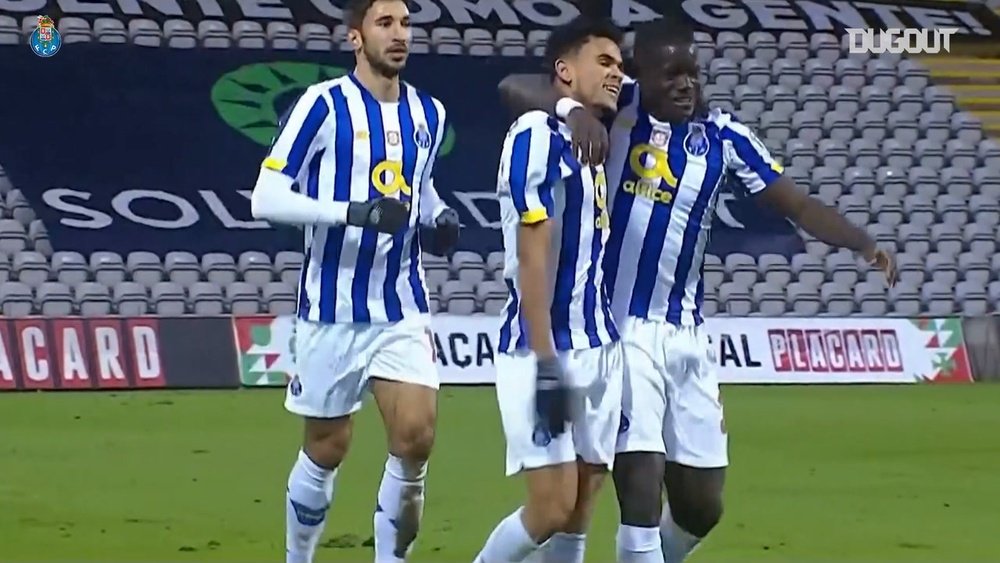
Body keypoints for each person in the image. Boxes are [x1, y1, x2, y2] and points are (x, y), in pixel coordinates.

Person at [497, 19, 898, 563]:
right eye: (672, 75)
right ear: (646, 78)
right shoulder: (621, 108)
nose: (687, 85)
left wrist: (863, 243)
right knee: (639, 482)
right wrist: (569, 109)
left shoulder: (725, 138)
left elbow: (797, 205)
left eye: (693, 74)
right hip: (622, 328)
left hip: (687, 337)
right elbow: (515, 86)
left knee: (702, 505)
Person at [248, 0, 460, 561]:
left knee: (416, 437)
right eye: (384, 23)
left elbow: (420, 183)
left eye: (406, 24)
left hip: (402, 305)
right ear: (355, 37)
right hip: (331, 308)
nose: (399, 35)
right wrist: (354, 213)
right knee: (327, 447)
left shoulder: (429, 114)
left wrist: (438, 217)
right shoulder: (322, 106)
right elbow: (265, 197)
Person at [472, 16, 625, 563]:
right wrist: (545, 363)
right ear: (565, 70)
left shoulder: (598, 139)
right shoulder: (537, 137)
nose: (617, 75)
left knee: (582, 502)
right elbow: (533, 257)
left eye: (621, 66)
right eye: (604, 63)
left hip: (601, 345)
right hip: (543, 347)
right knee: (551, 506)